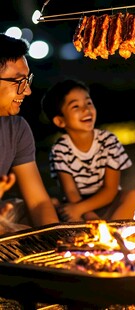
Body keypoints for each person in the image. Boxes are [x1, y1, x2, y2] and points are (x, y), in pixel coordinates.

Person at [41, 79, 135, 222]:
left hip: (108, 202)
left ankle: (111, 234)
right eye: (75, 106)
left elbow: (111, 190)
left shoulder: (108, 141)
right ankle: (97, 234)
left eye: (88, 103)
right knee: (52, 206)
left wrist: (84, 210)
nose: (86, 110)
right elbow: (71, 191)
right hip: (77, 206)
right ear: (60, 121)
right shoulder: (60, 149)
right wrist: (86, 213)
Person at [0, 33, 59, 227]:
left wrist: (56, 245)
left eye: (28, 80)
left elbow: (39, 202)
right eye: (18, 82)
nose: (27, 91)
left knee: (28, 211)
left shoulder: (16, 129)